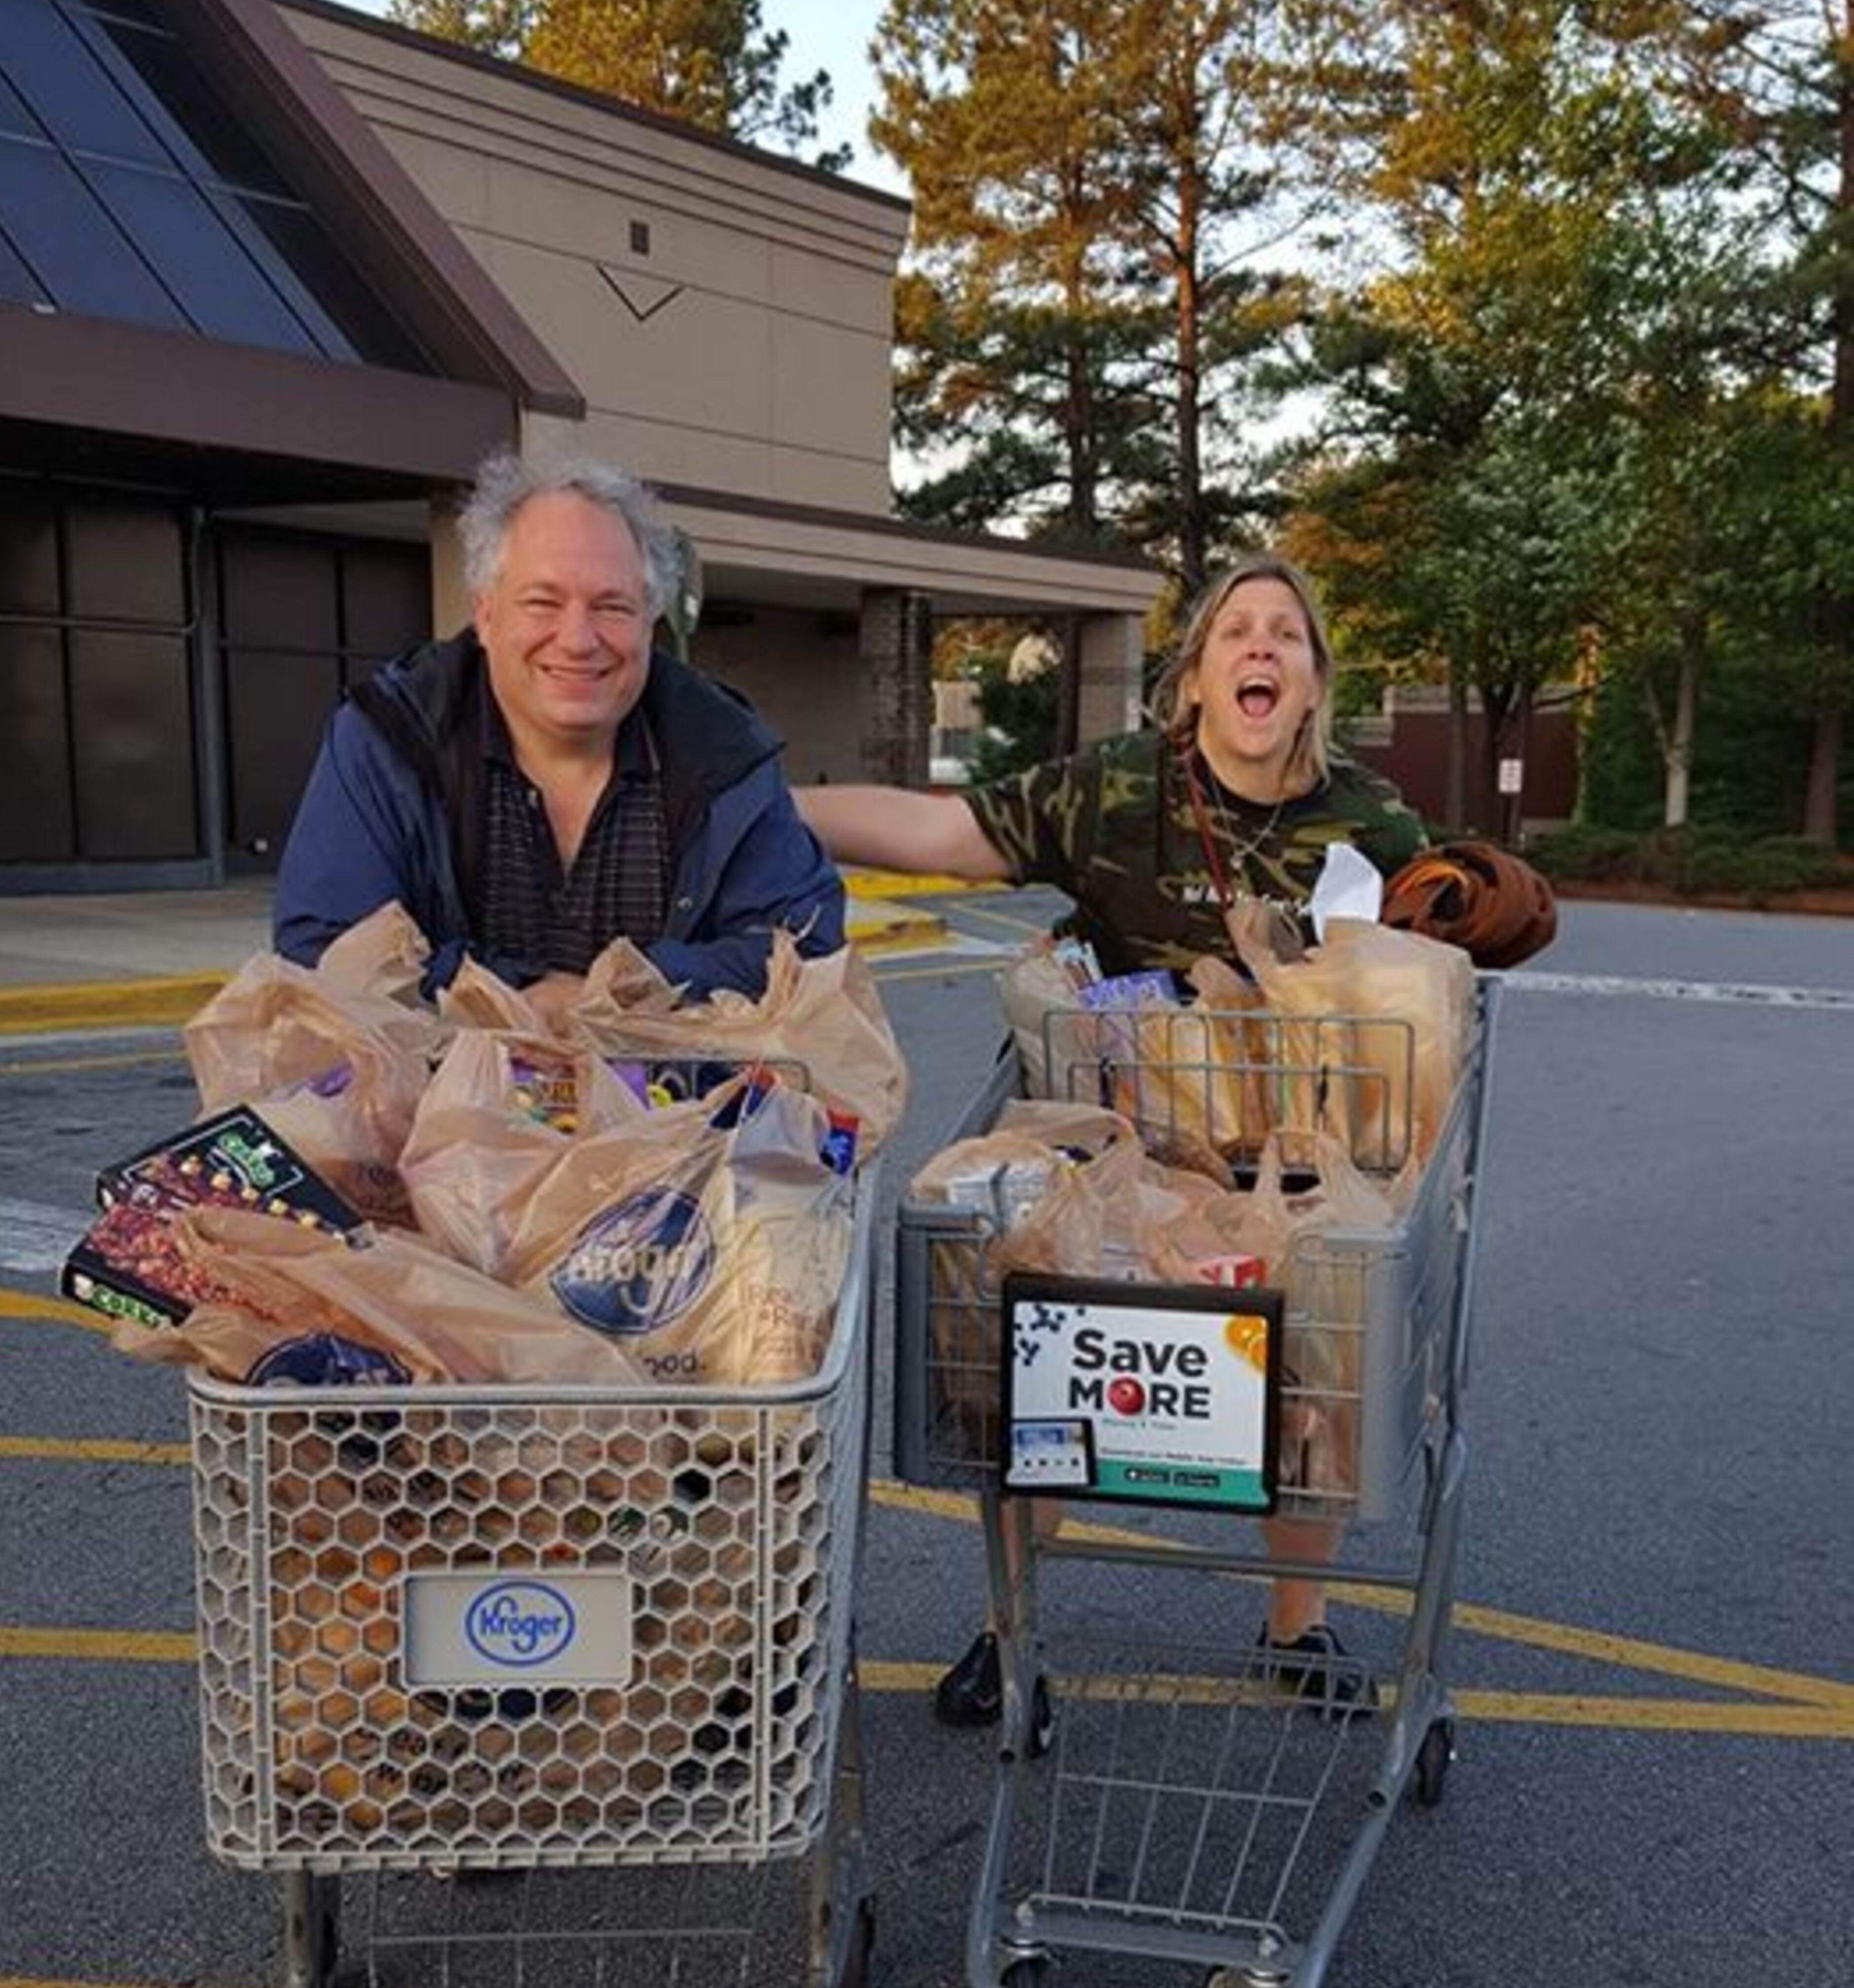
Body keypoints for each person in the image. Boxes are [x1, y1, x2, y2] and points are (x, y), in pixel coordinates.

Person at [803, 554, 1432, 1721]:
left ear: (1310, 683)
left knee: (1332, 1315)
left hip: (1293, 1157)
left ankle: (1294, 1627)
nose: (1259, 648)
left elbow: (1441, 950)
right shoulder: (1117, 792)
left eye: (1284, 636)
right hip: (1118, 1147)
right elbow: (945, 833)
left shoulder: (1370, 822)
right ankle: (1009, 1625)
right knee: (1031, 1340)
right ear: (1192, 679)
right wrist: (775, 806)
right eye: (1234, 632)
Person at [275, 445, 842, 1005]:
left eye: (612, 607)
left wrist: (628, 985)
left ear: (650, 622)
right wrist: (518, 995)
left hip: (671, 1092)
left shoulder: (723, 750)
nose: (577, 640)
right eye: (543, 603)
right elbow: (325, 947)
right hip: (429, 1092)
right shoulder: (391, 737)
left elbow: (808, 945)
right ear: (487, 614)